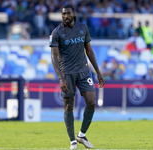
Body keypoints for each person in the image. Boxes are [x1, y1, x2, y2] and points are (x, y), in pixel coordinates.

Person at [50, 4, 105, 149]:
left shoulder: (83, 28)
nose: (65, 16)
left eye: (68, 13)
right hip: (67, 73)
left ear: (74, 14)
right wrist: (61, 78)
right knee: (69, 106)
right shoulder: (56, 32)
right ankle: (72, 141)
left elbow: (89, 51)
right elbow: (54, 57)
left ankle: (81, 135)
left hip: (83, 71)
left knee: (92, 102)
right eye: (63, 14)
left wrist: (98, 71)